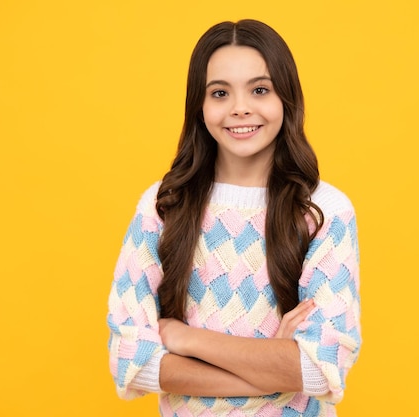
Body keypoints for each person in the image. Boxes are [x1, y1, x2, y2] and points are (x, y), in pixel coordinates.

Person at [107, 19, 361, 416]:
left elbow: (319, 368)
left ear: (286, 99)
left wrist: (185, 339)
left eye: (260, 89)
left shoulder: (325, 211)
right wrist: (275, 365)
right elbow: (130, 362)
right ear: (200, 106)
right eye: (220, 92)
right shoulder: (163, 205)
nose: (240, 107)